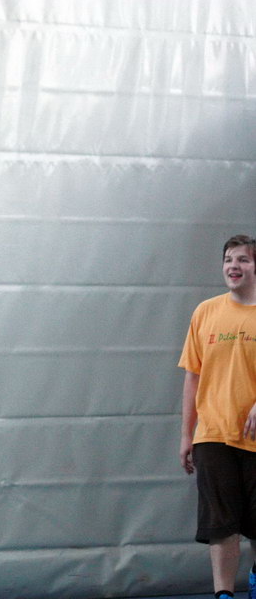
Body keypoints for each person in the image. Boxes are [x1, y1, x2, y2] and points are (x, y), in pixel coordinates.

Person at [179, 234, 256, 599]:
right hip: (212, 435)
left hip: (253, 436)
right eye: (228, 260)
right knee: (221, 525)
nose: (233, 266)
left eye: (243, 260)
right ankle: (223, 594)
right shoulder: (205, 312)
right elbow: (192, 376)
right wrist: (186, 434)